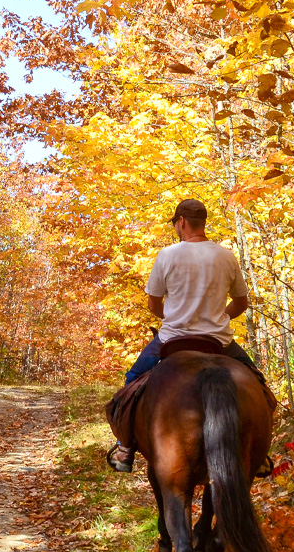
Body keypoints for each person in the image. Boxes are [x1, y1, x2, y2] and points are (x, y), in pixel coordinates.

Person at [109, 198, 269, 472]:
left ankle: (125, 448)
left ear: (181, 222)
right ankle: (259, 453)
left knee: (130, 384)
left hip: (173, 338)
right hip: (219, 341)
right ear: (202, 223)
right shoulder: (226, 255)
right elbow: (241, 303)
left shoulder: (167, 255)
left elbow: (153, 304)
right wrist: (216, 318)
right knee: (260, 388)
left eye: (175, 224)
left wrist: (174, 317)